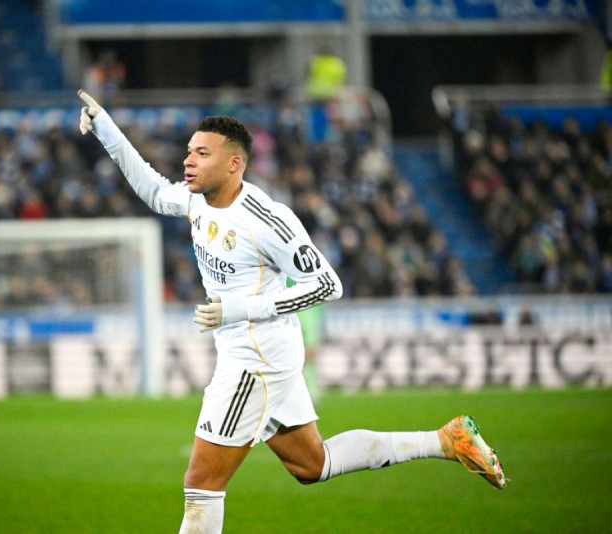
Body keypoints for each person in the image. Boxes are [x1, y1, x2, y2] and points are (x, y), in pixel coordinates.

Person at [77, 90, 507, 533]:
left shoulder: (267, 220)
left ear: (234, 164)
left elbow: (328, 284)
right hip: (262, 352)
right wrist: (105, 126)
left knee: (202, 483)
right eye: (189, 151)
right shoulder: (195, 200)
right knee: (312, 464)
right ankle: (445, 441)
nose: (188, 161)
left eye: (202, 154)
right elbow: (152, 190)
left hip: (255, 361)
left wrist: (238, 309)